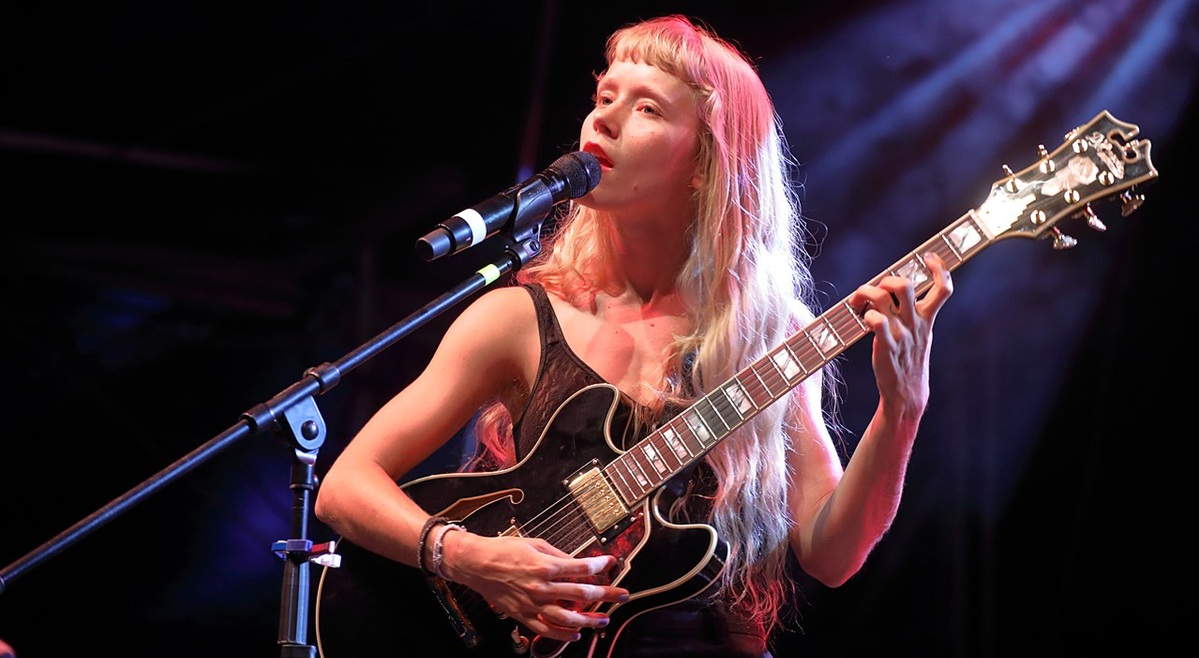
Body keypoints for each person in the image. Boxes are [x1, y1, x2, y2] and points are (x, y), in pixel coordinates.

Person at [314, 13, 952, 658]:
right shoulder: (519, 315)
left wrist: (903, 407)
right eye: (604, 98)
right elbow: (344, 490)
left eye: (647, 108)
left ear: (705, 165)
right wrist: (471, 559)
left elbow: (832, 555)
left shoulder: (772, 334)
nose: (604, 120)